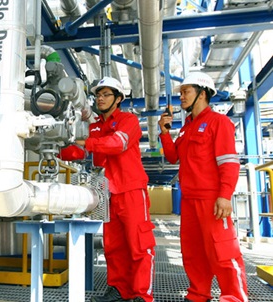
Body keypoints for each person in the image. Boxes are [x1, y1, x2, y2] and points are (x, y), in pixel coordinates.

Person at [60, 77, 155, 302]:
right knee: (113, 246)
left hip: (131, 189)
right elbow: (81, 153)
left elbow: (116, 144)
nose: (100, 98)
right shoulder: (95, 127)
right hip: (108, 193)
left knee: (139, 244)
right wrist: (55, 148)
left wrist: (86, 142)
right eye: (98, 95)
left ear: (118, 98)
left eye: (106, 94)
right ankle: (119, 290)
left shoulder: (128, 120)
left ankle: (142, 294)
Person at [158, 72, 248, 302]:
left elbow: (229, 162)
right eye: (181, 93)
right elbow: (172, 157)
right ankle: (198, 295)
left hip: (212, 201)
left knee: (223, 252)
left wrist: (225, 196)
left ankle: (234, 298)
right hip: (189, 200)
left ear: (203, 93)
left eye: (186, 91)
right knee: (193, 253)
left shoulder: (219, 123)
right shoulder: (188, 127)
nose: (181, 97)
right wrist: (165, 132)